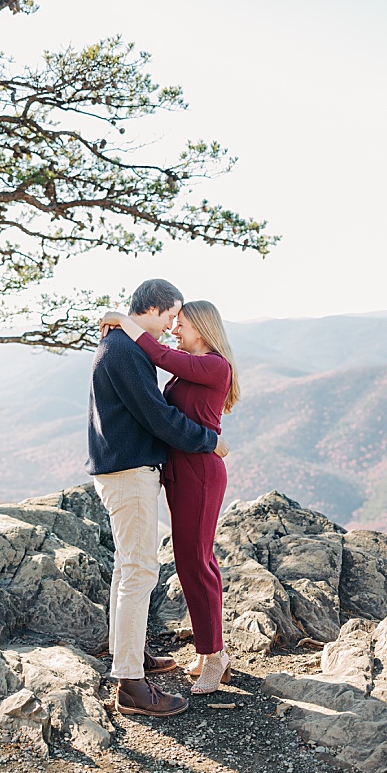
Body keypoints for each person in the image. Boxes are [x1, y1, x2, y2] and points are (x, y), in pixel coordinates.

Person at [85, 279, 229, 718]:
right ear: (154, 308)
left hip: (144, 471)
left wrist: (128, 325)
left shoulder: (129, 346)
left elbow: (165, 374)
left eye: (179, 321)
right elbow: (159, 416)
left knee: (133, 567)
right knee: (139, 570)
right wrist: (210, 440)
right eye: (170, 316)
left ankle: (129, 655)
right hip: (129, 473)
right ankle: (130, 682)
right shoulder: (125, 350)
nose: (172, 326)